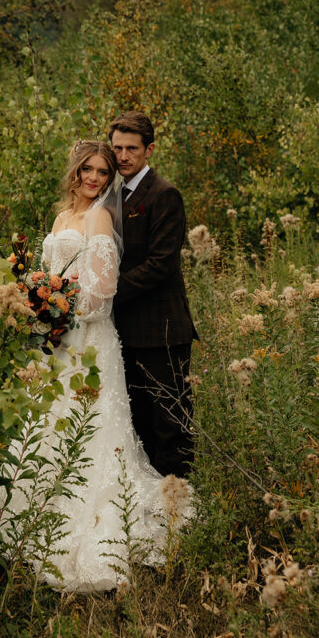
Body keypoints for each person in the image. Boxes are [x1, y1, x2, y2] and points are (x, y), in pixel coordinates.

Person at [0, 140, 186, 593]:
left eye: (103, 172)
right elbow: (46, 274)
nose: (95, 178)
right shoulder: (62, 218)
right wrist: (38, 305)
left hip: (88, 341)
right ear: (75, 171)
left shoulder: (101, 216)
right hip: (56, 343)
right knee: (47, 426)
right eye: (88, 170)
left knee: (91, 428)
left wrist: (60, 311)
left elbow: (102, 294)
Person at [110, 112, 197, 479]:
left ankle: (182, 508)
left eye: (132, 148)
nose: (123, 156)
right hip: (124, 332)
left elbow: (160, 264)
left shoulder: (164, 194)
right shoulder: (112, 194)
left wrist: (105, 294)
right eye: (117, 148)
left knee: (171, 424)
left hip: (161, 332)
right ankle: (152, 508)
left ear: (149, 150)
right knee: (138, 424)